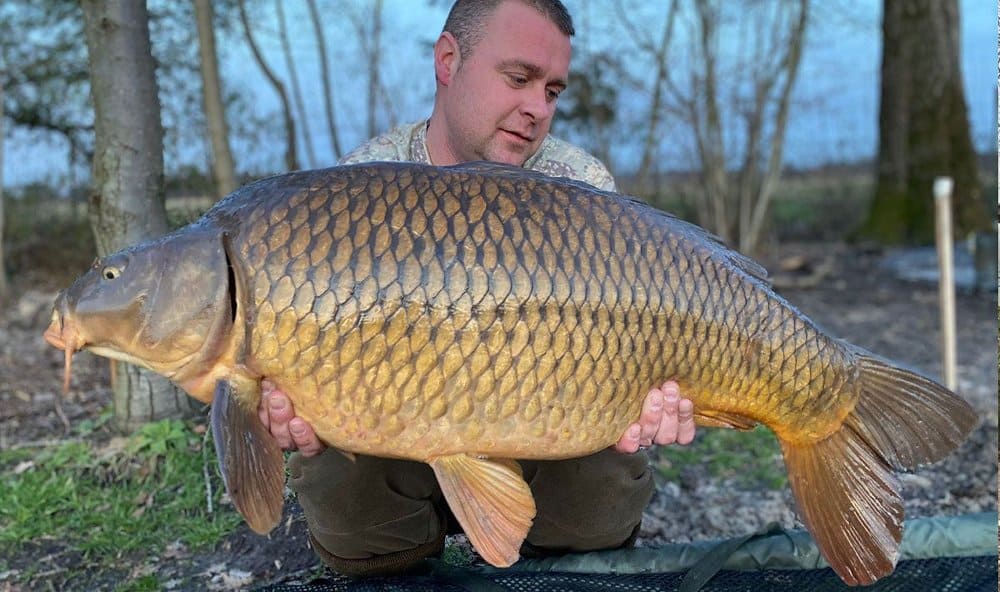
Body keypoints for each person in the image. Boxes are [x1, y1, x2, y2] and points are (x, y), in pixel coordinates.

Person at [258, 0, 696, 576]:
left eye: (553, 92)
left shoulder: (579, 185)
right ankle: (396, 568)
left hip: (537, 433)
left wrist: (644, 401)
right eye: (519, 79)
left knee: (610, 456)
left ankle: (560, 574)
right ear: (447, 60)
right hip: (402, 446)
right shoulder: (364, 183)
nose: (537, 108)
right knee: (328, 454)